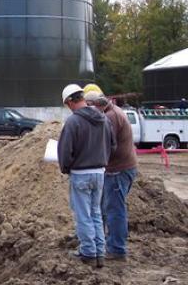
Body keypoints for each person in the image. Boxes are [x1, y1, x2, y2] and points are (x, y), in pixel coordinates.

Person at [58, 84, 115, 268]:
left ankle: (88, 253)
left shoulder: (73, 122)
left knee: (83, 215)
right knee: (96, 213)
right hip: (99, 173)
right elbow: (112, 145)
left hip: (81, 174)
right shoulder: (104, 119)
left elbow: (65, 151)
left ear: (69, 102)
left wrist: (66, 168)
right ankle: (100, 252)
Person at [83, 84, 138, 262]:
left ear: (94, 104)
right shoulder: (112, 111)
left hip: (118, 171)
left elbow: (105, 146)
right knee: (108, 208)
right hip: (121, 168)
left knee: (115, 210)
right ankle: (108, 242)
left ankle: (117, 249)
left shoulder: (111, 118)